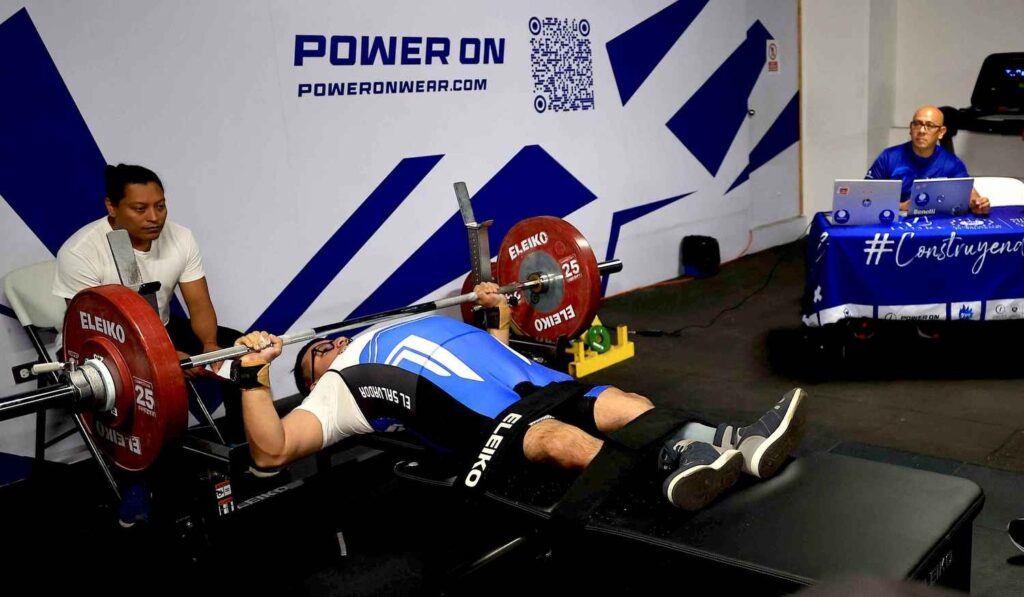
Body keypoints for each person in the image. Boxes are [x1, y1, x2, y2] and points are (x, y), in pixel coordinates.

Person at [232, 283, 807, 511]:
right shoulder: (335, 392)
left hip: (518, 376)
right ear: (312, 380)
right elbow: (271, 450)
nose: (330, 345)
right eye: (316, 353)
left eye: (330, 340)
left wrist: (496, 312)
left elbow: (488, 352)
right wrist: (253, 378)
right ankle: (668, 473)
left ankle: (734, 441)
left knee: (619, 401)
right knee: (554, 439)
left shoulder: (399, 323)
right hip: (474, 416)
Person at [53, 164, 244, 523]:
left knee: (239, 351)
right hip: (100, 345)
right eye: (140, 209)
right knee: (129, 384)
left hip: (159, 330)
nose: (154, 218)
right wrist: (165, 358)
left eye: (160, 206)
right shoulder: (80, 251)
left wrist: (209, 346)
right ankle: (134, 479)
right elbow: (91, 326)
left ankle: (238, 449)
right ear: (112, 207)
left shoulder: (180, 237)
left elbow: (199, 304)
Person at [866, 105, 991, 215]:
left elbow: (970, 195)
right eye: (917, 124)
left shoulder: (952, 163)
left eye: (930, 126)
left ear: (941, 132)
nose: (921, 131)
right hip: (894, 222)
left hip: (934, 225)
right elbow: (866, 196)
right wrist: (900, 206)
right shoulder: (889, 157)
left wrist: (978, 204)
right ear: (910, 128)